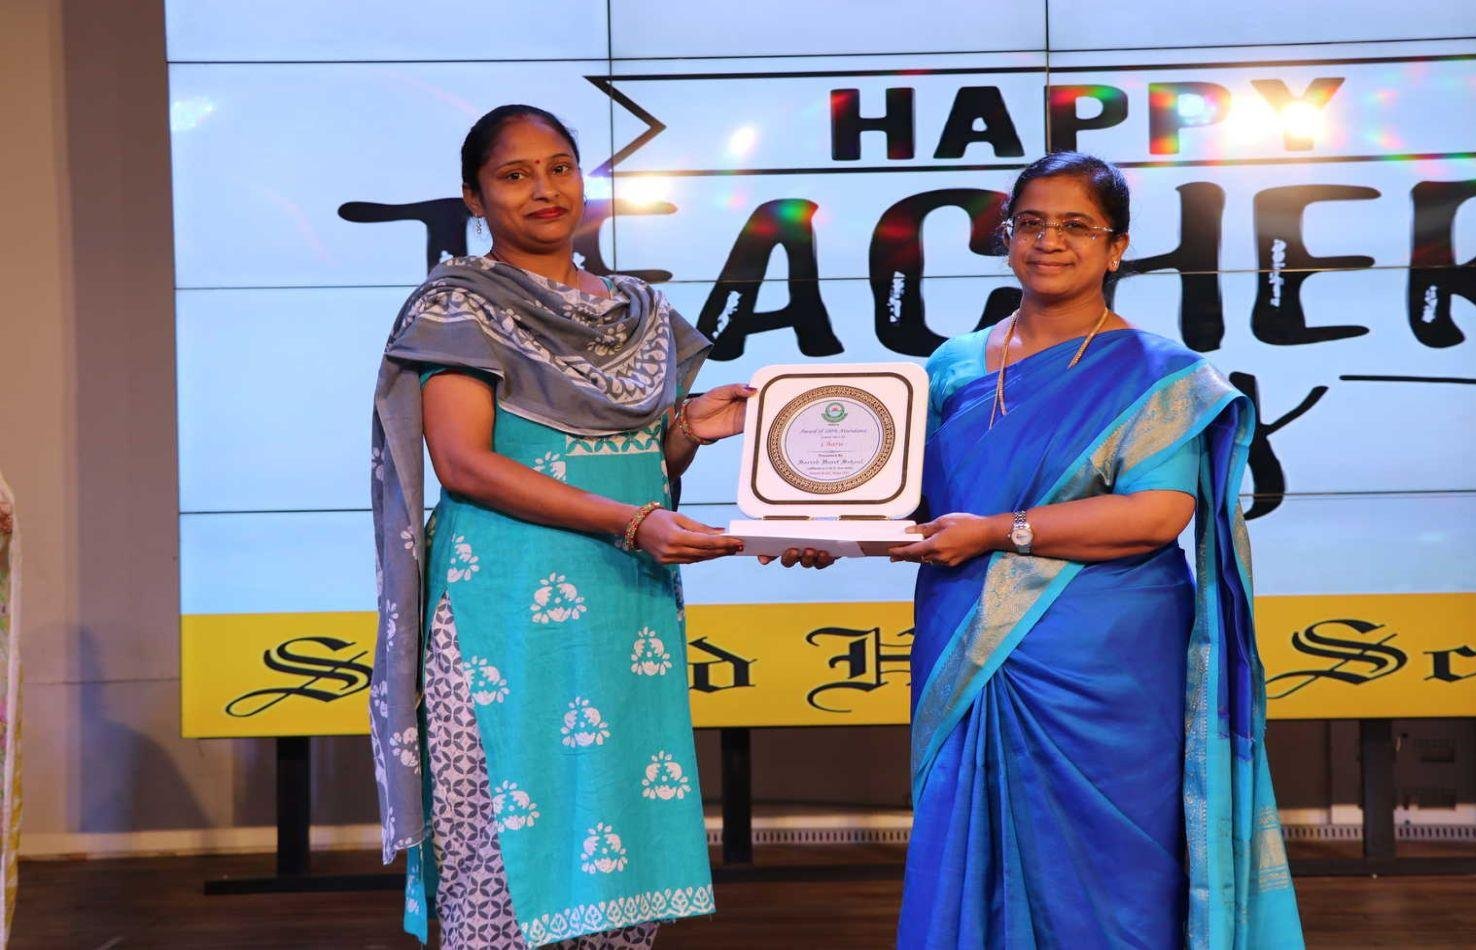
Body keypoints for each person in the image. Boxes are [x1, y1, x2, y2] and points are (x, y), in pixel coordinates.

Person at [369, 104, 823, 949]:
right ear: (472, 196)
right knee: (505, 846)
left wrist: (687, 429)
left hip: (621, 604)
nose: (544, 189)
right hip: (505, 607)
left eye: (560, 167)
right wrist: (633, 522)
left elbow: (643, 464)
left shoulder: (638, 311)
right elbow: (463, 464)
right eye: (513, 175)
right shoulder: (459, 305)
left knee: (615, 826)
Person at [888, 152, 1304, 949]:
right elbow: (915, 499)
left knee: (1114, 868)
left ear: (1115, 247)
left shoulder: (1160, 374)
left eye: (1075, 226)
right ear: (1006, 239)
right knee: (969, 841)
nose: (1049, 241)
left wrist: (998, 531)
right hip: (966, 639)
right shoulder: (949, 366)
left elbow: (1156, 513)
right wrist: (822, 531)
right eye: (1030, 223)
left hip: (1105, 660)